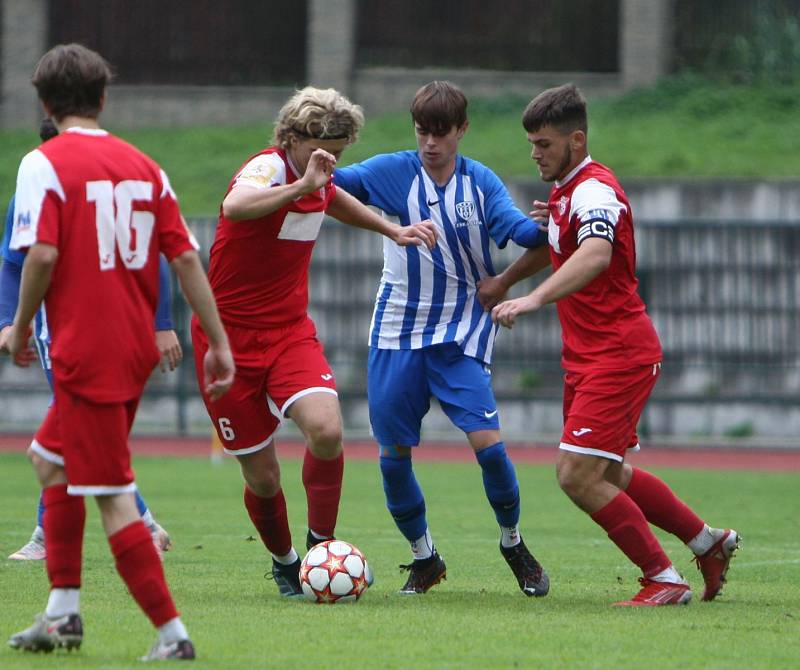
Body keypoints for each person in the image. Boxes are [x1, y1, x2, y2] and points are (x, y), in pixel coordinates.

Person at [6, 43, 234, 659]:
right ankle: (62, 614)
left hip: (87, 351)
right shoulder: (144, 165)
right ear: (104, 98)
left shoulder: (42, 163)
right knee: (48, 460)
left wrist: (21, 324)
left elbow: (42, 254)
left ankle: (172, 635)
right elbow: (185, 257)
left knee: (109, 495)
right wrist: (218, 342)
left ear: (46, 106)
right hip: (132, 349)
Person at [489, 83, 739, 606]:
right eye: (532, 143)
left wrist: (532, 300)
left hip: (618, 354)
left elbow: (596, 253)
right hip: (588, 357)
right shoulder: (567, 192)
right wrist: (506, 280)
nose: (534, 153)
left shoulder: (594, 191)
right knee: (607, 471)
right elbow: (564, 243)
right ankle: (707, 541)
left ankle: (663, 579)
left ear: (576, 141)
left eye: (544, 144)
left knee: (576, 475)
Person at [191, 86, 436, 598]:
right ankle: (285, 561)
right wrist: (301, 182)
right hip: (228, 338)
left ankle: (320, 549)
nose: (331, 162)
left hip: (288, 333)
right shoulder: (267, 169)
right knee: (262, 478)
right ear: (292, 137)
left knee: (326, 430)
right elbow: (236, 206)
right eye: (323, 149)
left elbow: (332, 198)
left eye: (341, 153)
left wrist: (391, 230)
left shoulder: (315, 176)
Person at [332, 80, 550, 597]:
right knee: (393, 455)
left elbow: (517, 231)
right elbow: (333, 185)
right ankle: (424, 557)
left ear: (462, 131)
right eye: (422, 131)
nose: (430, 142)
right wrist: (302, 158)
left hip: (459, 333)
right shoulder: (393, 172)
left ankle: (512, 541)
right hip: (397, 331)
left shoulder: (481, 184)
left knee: (490, 448)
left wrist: (543, 227)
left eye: (441, 132)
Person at [1, 120, 178, 563]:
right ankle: (130, 526)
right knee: (77, 430)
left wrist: (162, 323)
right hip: (56, 329)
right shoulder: (33, 188)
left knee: (71, 436)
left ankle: (112, 529)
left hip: (116, 326)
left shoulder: (115, 185)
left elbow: (156, 250)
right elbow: (12, 261)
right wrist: (11, 323)